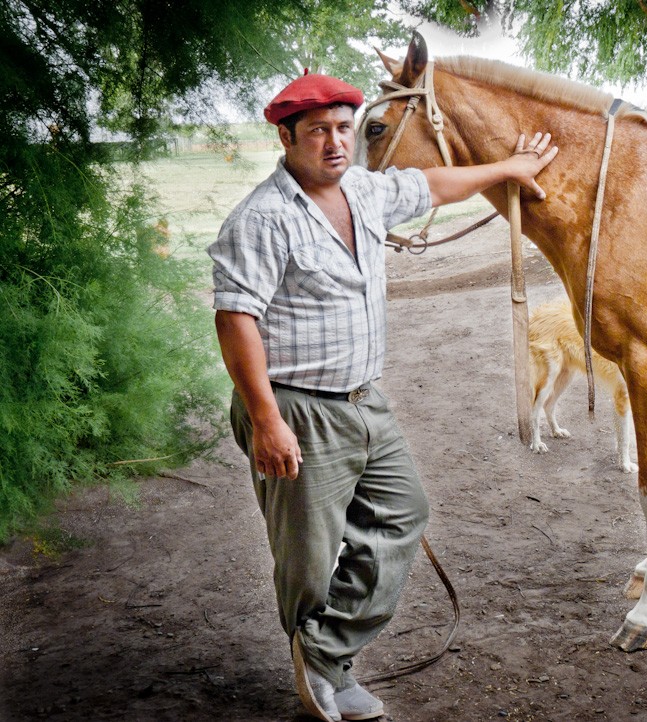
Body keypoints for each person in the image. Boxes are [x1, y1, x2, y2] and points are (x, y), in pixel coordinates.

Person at [208, 70, 557, 722]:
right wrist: (265, 421)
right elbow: (235, 320)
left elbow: (432, 186)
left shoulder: (365, 191)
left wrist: (507, 166)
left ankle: (324, 653)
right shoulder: (261, 219)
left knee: (402, 515)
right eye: (318, 132)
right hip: (297, 407)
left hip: (365, 399)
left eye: (344, 128)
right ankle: (325, 678)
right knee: (310, 558)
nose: (336, 142)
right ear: (286, 136)